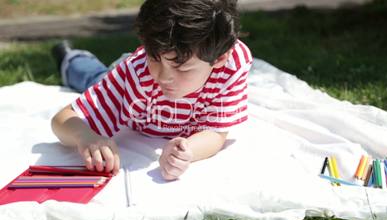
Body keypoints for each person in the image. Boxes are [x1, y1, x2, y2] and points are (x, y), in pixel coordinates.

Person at [51, 0, 253, 181]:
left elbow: (216, 132)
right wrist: (86, 137)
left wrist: (186, 151)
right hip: (120, 76)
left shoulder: (234, 63)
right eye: (154, 58)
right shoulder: (135, 75)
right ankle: (72, 57)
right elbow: (63, 119)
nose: (164, 77)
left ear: (219, 59)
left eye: (182, 67)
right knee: (91, 76)